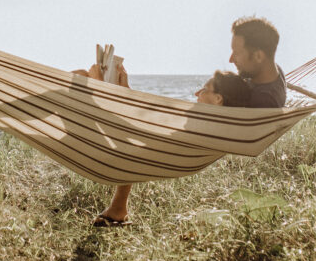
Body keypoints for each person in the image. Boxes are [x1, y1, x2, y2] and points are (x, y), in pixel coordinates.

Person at [84, 16, 286, 227]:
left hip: (194, 140)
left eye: (237, 52)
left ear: (259, 55)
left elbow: (147, 131)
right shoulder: (270, 74)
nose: (231, 58)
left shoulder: (262, 102)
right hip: (191, 132)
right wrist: (125, 94)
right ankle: (118, 207)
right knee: (89, 83)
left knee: (84, 80)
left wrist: (103, 92)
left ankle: (117, 205)